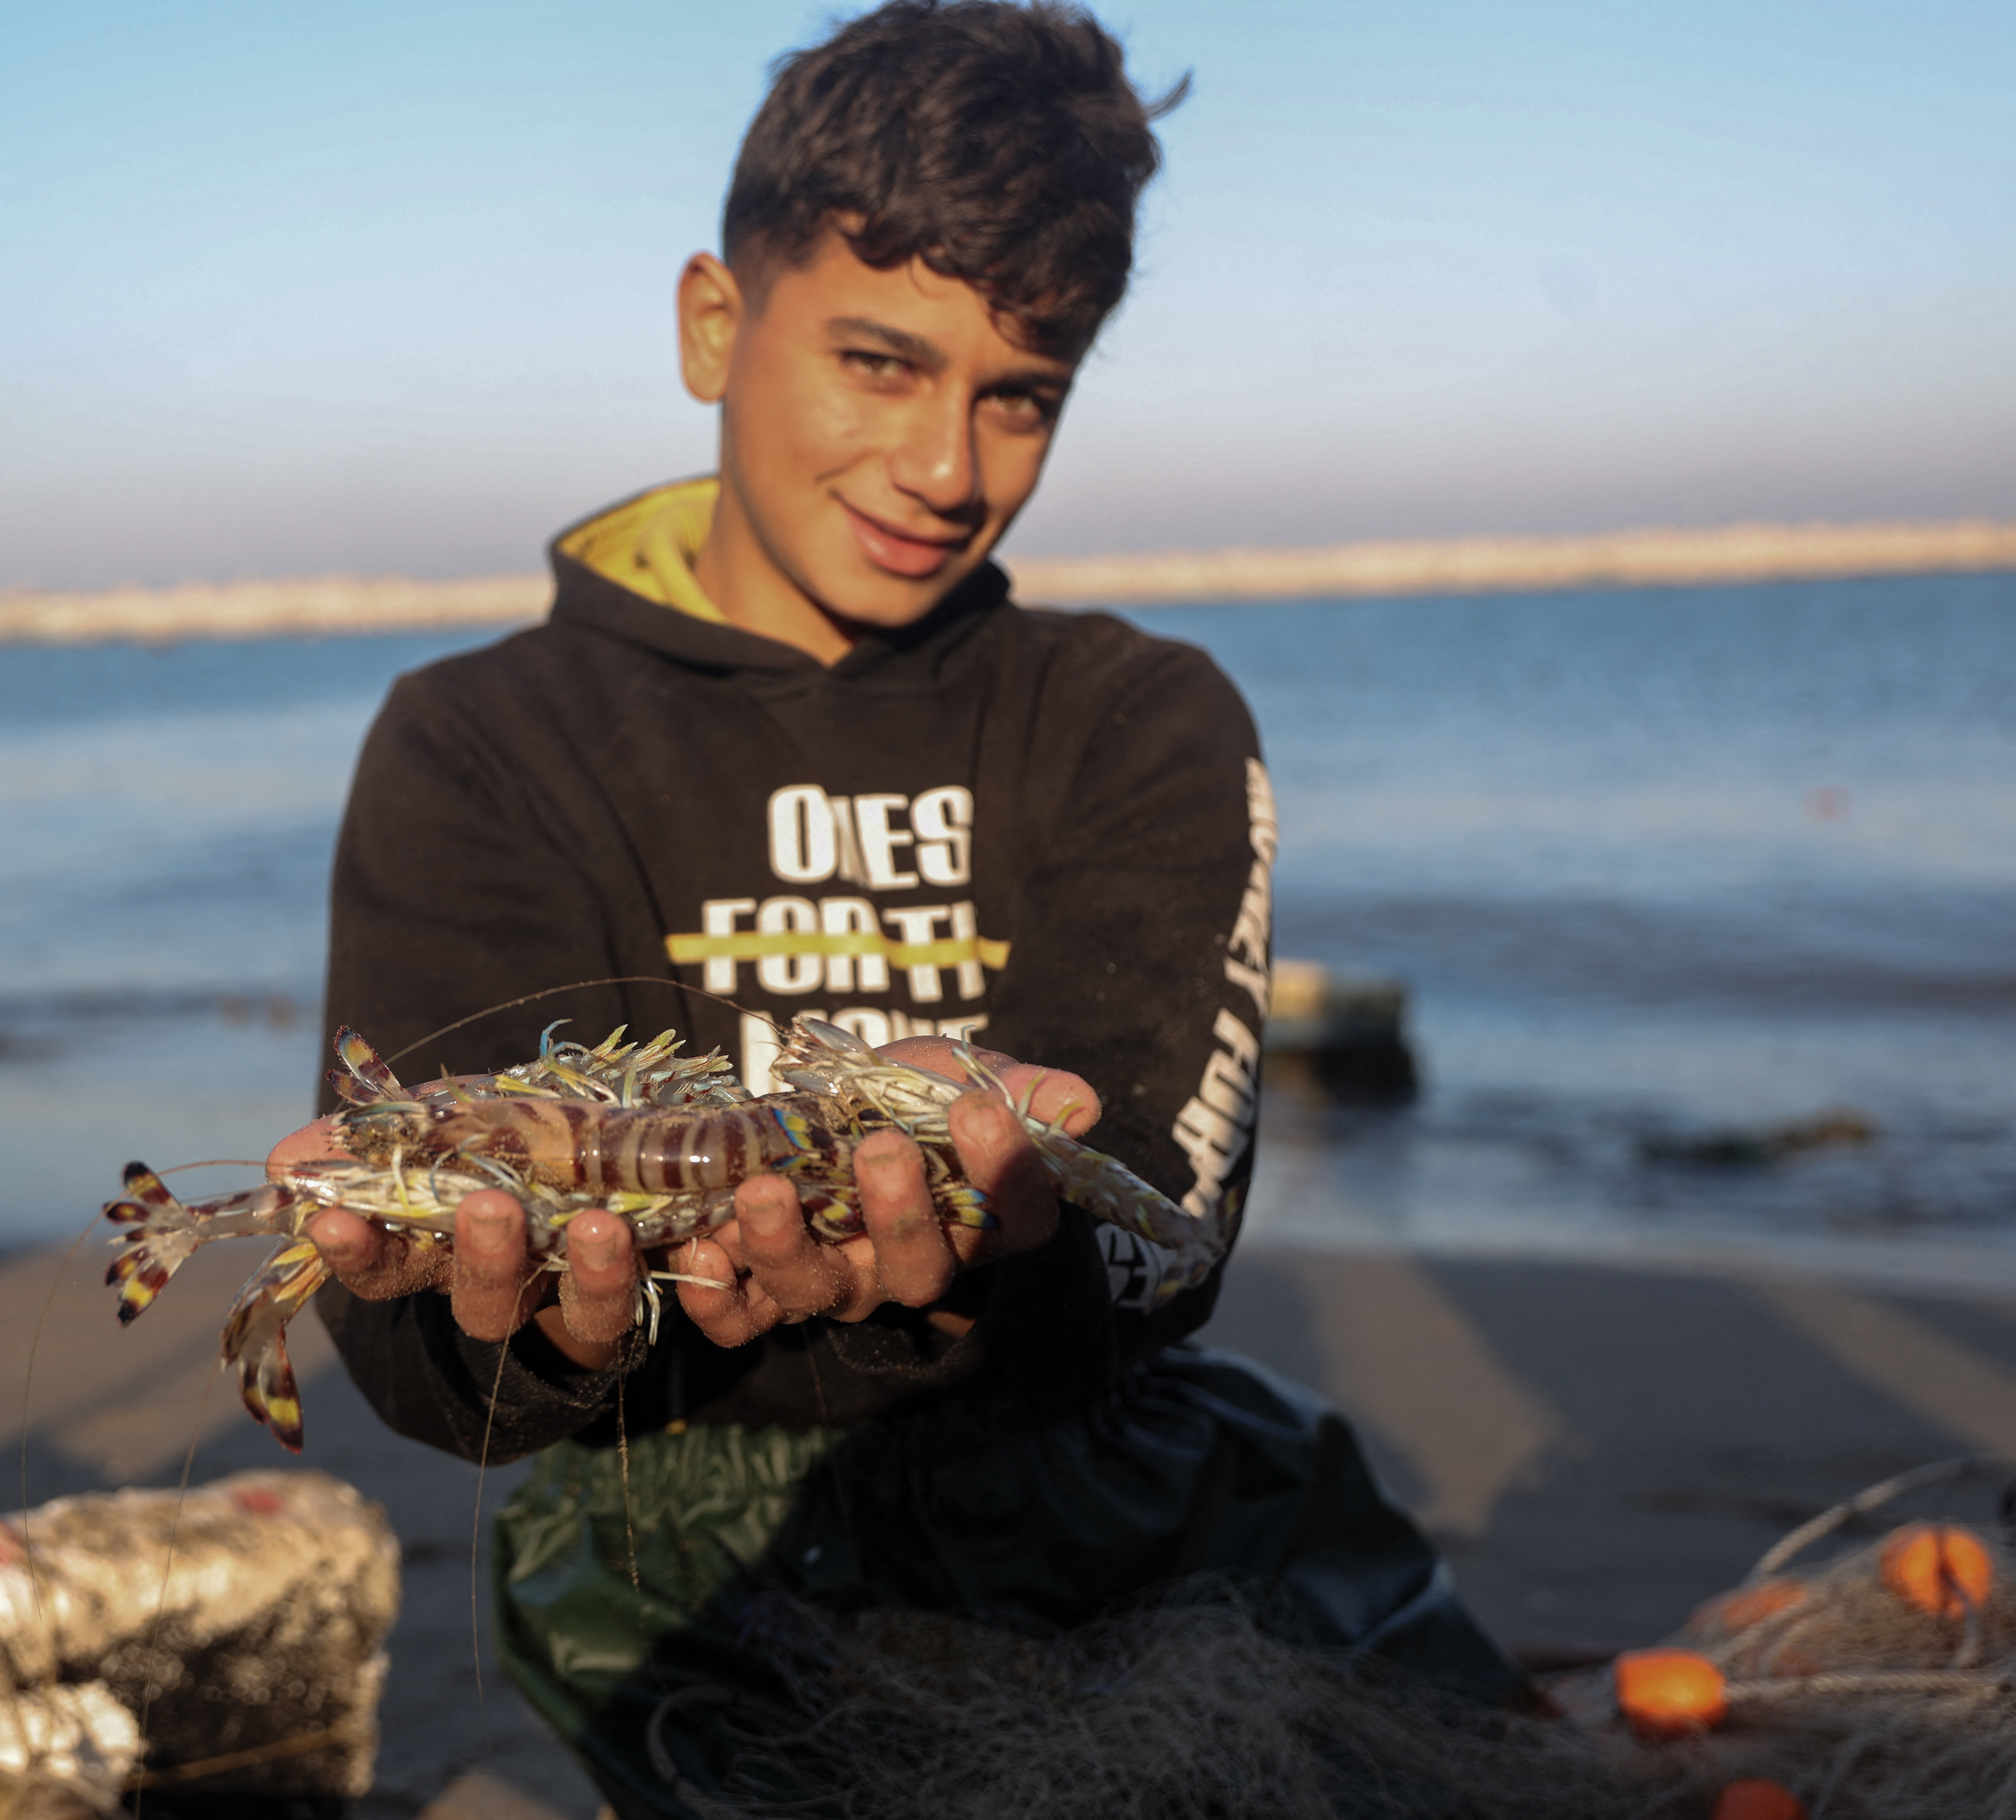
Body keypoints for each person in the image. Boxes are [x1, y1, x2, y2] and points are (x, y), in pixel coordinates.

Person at [277, 4, 1520, 1812]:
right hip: (688, 1540)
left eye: (1022, 394)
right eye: (880, 362)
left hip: (1111, 1482)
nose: (949, 469)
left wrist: (976, 1244)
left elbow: (1154, 1231)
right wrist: (519, 1323)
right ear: (715, 324)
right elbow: (424, 1352)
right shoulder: (477, 744)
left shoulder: (1139, 717)